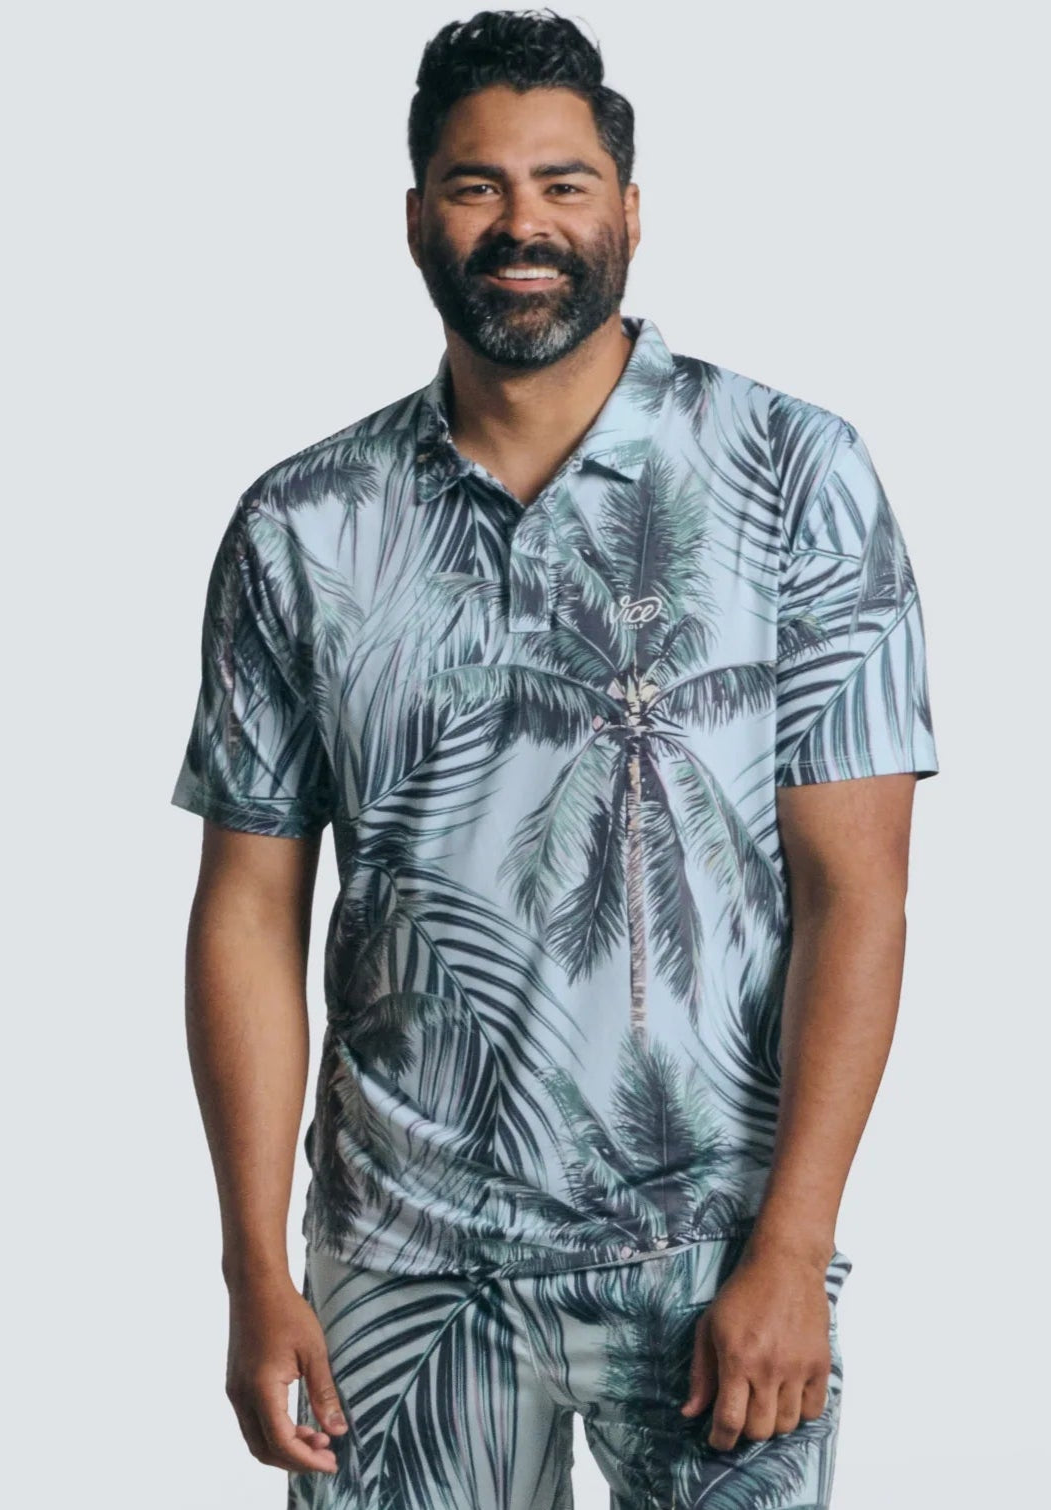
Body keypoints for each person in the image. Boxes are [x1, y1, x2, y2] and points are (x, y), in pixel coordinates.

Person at [169, 9, 941, 1508]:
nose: (523, 223)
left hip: (711, 1253)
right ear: (417, 218)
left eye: (564, 183)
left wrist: (793, 1245)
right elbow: (247, 908)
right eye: (478, 186)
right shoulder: (301, 525)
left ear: (630, 212)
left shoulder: (794, 474)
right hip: (402, 1268)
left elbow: (858, 894)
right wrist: (255, 1267)